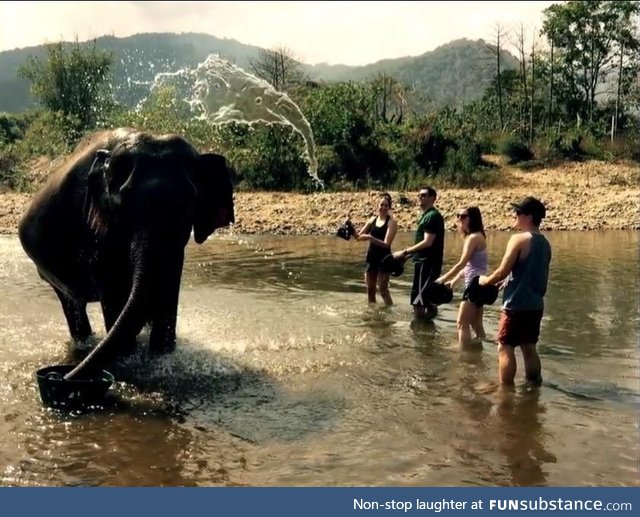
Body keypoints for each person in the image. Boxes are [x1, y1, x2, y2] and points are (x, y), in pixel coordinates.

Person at [479, 196, 552, 386]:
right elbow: (533, 273)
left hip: (515, 304)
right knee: (529, 348)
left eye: (518, 212)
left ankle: (506, 392)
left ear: (529, 217)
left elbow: (502, 270)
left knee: (505, 347)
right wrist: (508, 281)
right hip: (536, 305)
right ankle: (533, 386)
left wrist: (485, 280)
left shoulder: (518, 239)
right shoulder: (545, 243)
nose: (515, 215)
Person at [435, 206, 488, 347]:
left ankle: (465, 357)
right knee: (476, 324)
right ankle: (478, 355)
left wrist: (442, 279)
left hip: (474, 285)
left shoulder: (473, 238)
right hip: (480, 285)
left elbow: (461, 263)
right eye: (458, 216)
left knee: (461, 323)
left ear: (473, 219)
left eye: (463, 216)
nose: (459, 219)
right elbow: (469, 266)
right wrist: (453, 281)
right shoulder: (479, 236)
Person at [392, 187, 445, 320]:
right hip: (423, 262)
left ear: (433, 198)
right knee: (425, 298)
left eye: (423, 195)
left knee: (418, 302)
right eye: (419, 195)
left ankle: (419, 333)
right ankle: (428, 329)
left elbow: (428, 242)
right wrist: (408, 256)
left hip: (426, 264)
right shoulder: (425, 216)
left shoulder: (432, 216)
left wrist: (404, 251)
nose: (420, 197)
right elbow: (426, 245)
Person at [356, 193, 398, 305]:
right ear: (377, 205)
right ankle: (372, 317)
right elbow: (359, 237)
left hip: (384, 259)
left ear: (389, 207)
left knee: (383, 291)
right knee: (370, 291)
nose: (383, 208)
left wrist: (370, 237)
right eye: (381, 205)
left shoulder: (391, 222)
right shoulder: (372, 220)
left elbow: (386, 244)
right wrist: (349, 231)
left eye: (386, 205)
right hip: (371, 258)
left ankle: (389, 315)